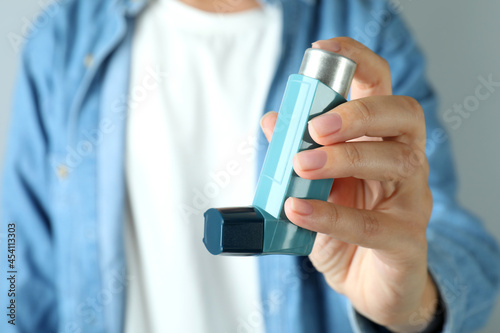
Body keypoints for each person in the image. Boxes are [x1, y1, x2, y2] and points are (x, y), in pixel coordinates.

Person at [1, 0, 499, 332]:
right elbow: (15, 269)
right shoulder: (61, 40)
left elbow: (464, 248)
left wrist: (410, 307)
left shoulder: (364, 28)